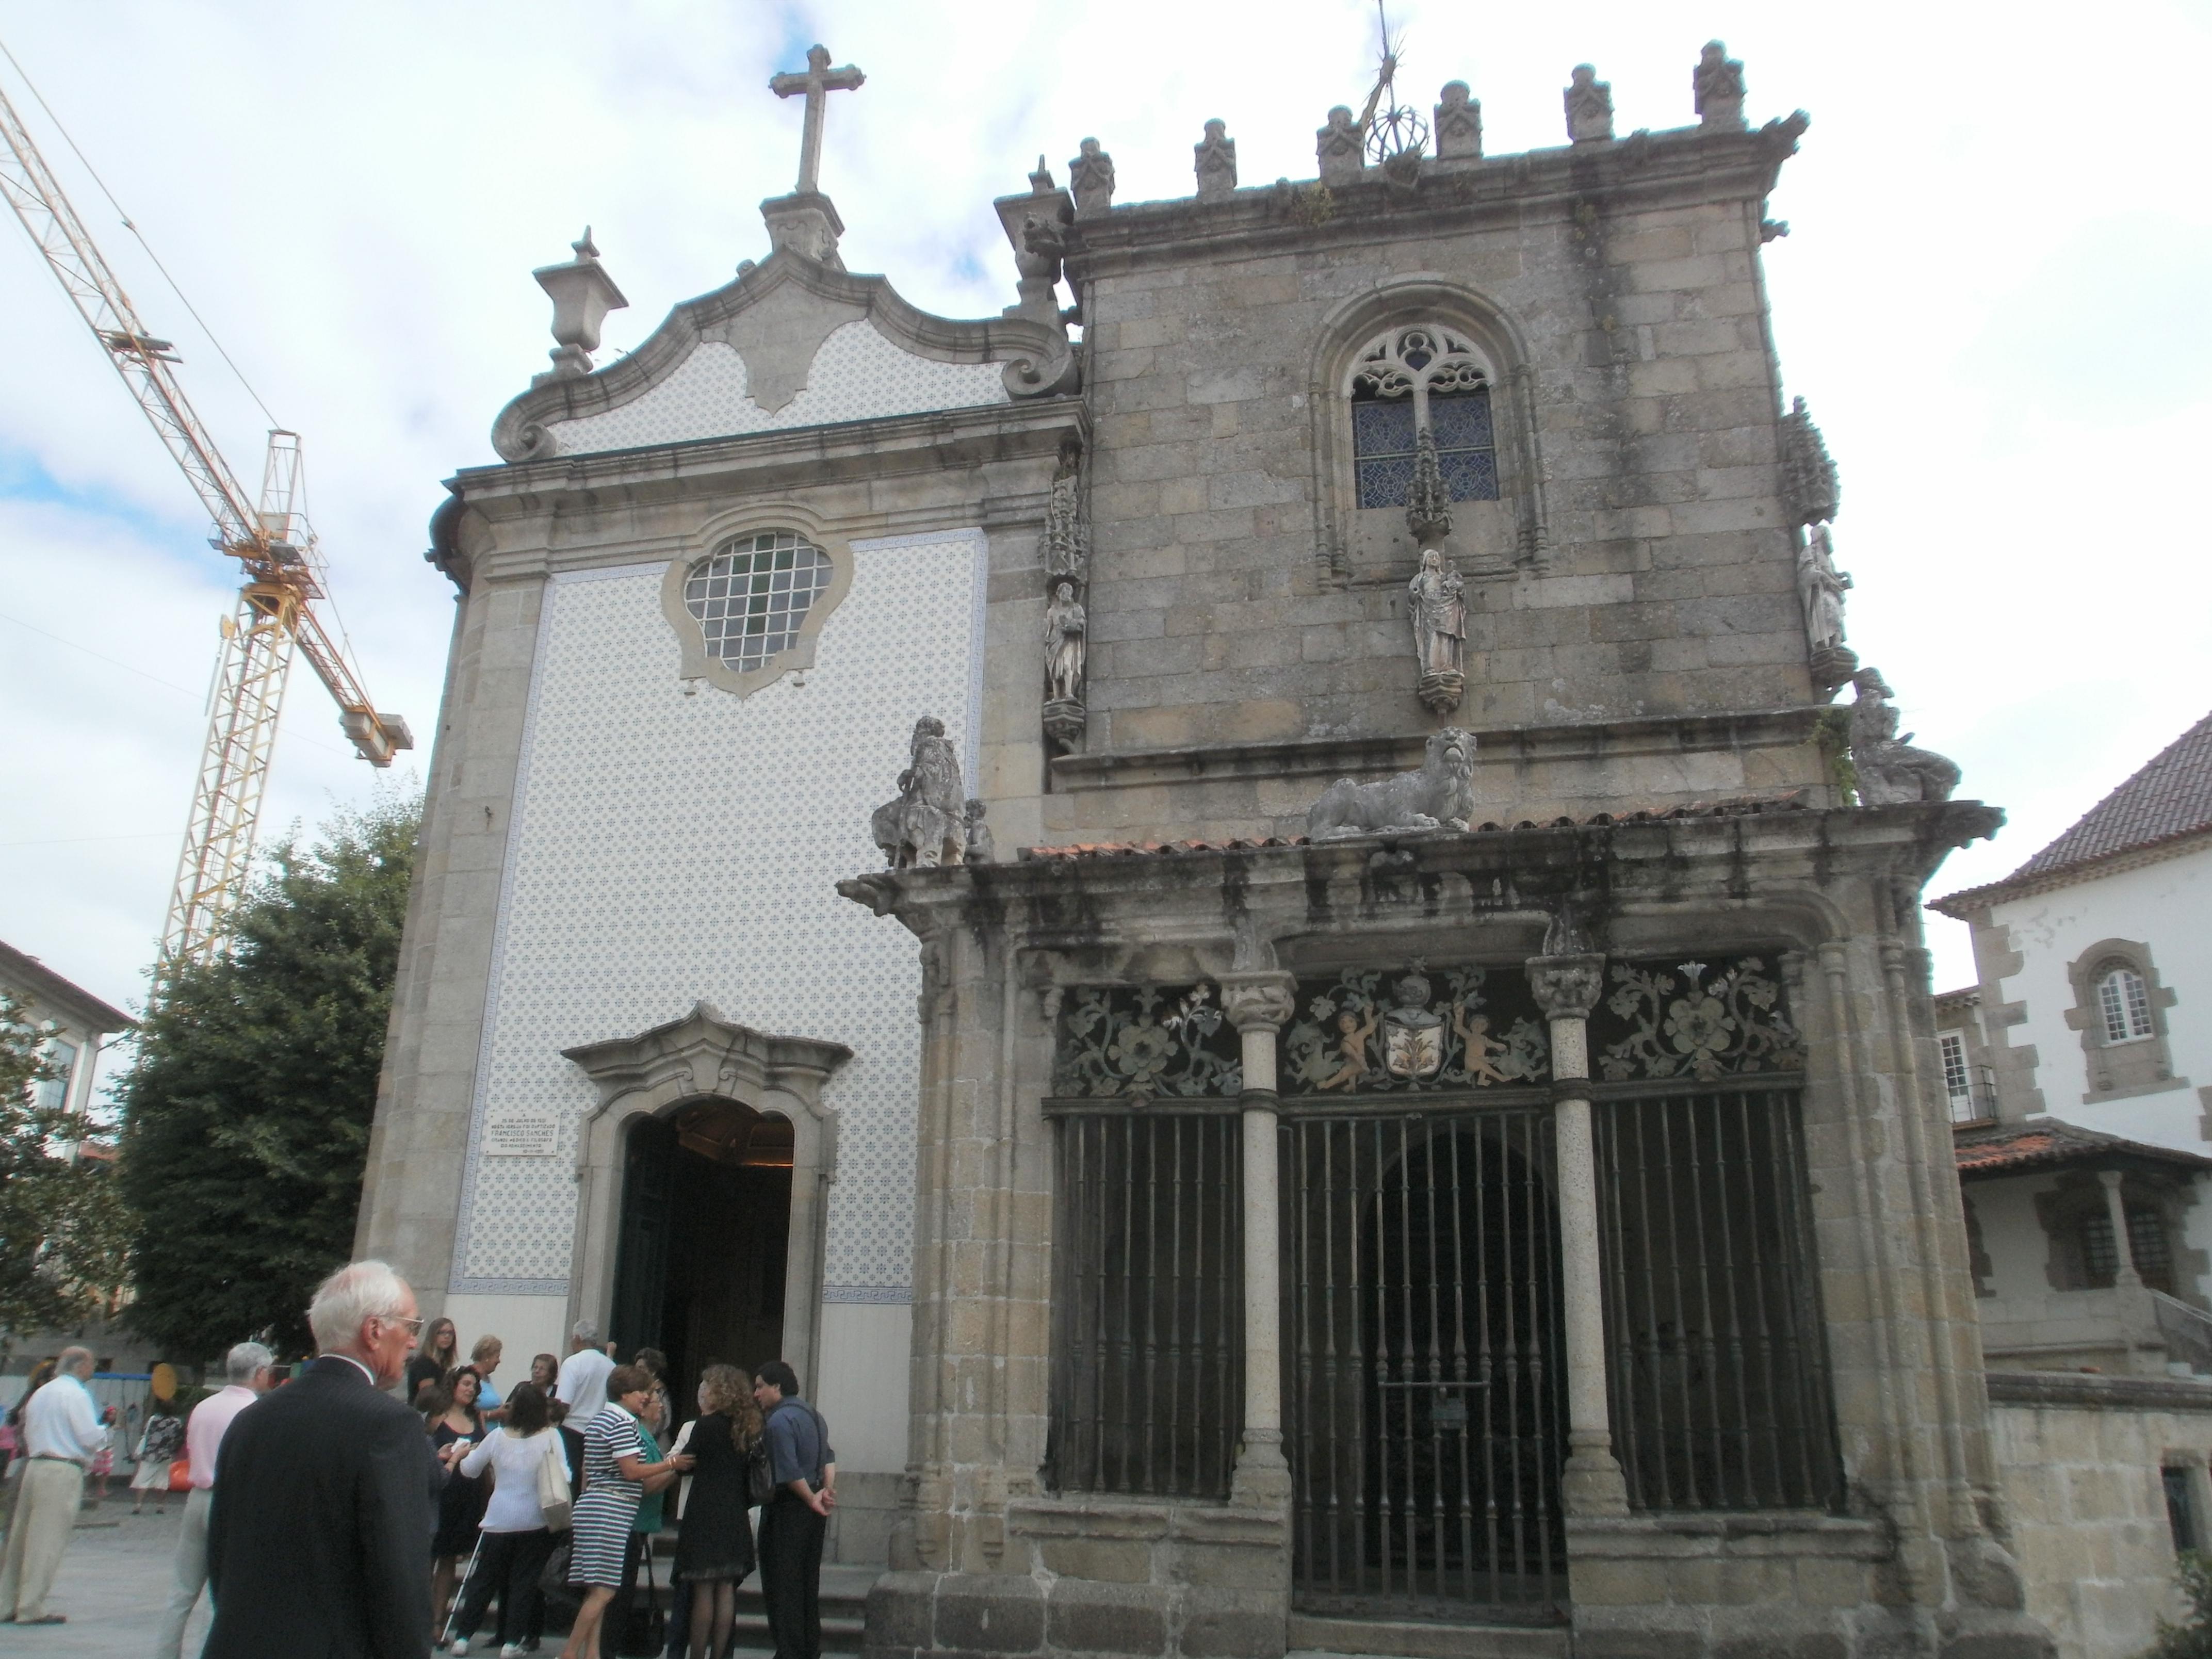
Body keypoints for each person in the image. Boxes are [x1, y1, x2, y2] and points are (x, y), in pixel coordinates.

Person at [202, 1259, 440, 1658]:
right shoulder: (389, 1425)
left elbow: (221, 1554)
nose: (415, 1341)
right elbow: (400, 1576)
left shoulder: (251, 1420)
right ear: (375, 1331)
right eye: (411, 1326)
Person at [153, 1342, 274, 1659]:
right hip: (231, 1502)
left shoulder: (204, 1406)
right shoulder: (255, 1412)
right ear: (261, 1373)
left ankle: (165, 1652)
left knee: (183, 1588)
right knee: (220, 1590)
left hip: (198, 1495)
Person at [561, 1363, 690, 1659]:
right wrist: (672, 1464)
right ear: (625, 1394)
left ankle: (592, 1653)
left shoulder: (602, 1419)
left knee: (598, 1590)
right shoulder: (620, 1423)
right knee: (606, 1590)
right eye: (641, 1392)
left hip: (598, 1505)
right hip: (611, 1509)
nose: (646, 1398)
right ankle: (569, 1653)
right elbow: (631, 1471)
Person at [445, 1379, 562, 1657]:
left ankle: (463, 1637)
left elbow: (470, 1470)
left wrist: (464, 1454)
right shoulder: (550, 1437)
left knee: (483, 1580)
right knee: (523, 1583)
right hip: (535, 1519)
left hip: (499, 1518)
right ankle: (512, 1643)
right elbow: (565, 1475)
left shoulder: (498, 1437)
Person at [0, 1346, 108, 1624]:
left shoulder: (43, 1391)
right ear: (82, 1365)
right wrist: (105, 1431)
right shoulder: (76, 1394)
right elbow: (88, 1436)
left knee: (19, 1539)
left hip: (35, 1465)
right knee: (46, 1540)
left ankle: (7, 1602)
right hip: (62, 1468)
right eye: (92, 1363)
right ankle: (31, 1606)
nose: (93, 1368)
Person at [676, 1365, 761, 1659]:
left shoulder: (706, 1425)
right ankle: (719, 1656)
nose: (703, 1391)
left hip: (705, 1513)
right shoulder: (745, 1426)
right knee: (726, 1589)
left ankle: (697, 1655)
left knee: (703, 1592)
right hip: (734, 1513)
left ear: (719, 1392)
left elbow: (686, 1461)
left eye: (707, 1386)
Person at [752, 1361, 835, 1659]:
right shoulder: (814, 1415)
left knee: (782, 1582)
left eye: (761, 1386)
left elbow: (788, 1471)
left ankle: (789, 1650)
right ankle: (809, 1647)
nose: (756, 1393)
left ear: (777, 1387)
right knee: (807, 1582)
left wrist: (810, 1497)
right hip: (813, 1507)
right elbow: (829, 1457)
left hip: (788, 1508)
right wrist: (824, 1491)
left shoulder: (778, 1422)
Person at [430, 1367, 493, 1634]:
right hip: (439, 1492)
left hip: (467, 1492)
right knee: (427, 1557)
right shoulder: (437, 1417)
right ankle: (419, 1617)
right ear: (454, 1385)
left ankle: (437, 1621)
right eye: (466, 1384)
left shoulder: (475, 1416)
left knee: (448, 1559)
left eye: (474, 1386)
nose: (470, 1389)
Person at [131, 1395, 186, 1515]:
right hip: (165, 1455)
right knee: (162, 1480)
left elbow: (146, 1433)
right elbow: (179, 1438)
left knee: (144, 1478)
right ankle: (160, 1506)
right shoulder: (176, 1422)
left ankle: (138, 1505)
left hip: (150, 1453)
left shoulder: (153, 1419)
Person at [555, 1320, 616, 1426]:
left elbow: (563, 1403)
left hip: (573, 1427)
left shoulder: (573, 1362)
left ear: (577, 1338)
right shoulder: (611, 1366)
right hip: (600, 1430)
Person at [407, 1315, 460, 1408]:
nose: (447, 1336)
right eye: (442, 1333)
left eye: (450, 1333)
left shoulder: (442, 1363)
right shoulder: (425, 1362)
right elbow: (428, 1398)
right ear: (433, 1336)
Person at [471, 1335, 507, 1420]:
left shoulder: (487, 1379)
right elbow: (465, 1411)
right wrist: (493, 1414)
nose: (499, 1361)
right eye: (497, 1357)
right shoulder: (470, 1377)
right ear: (487, 1357)